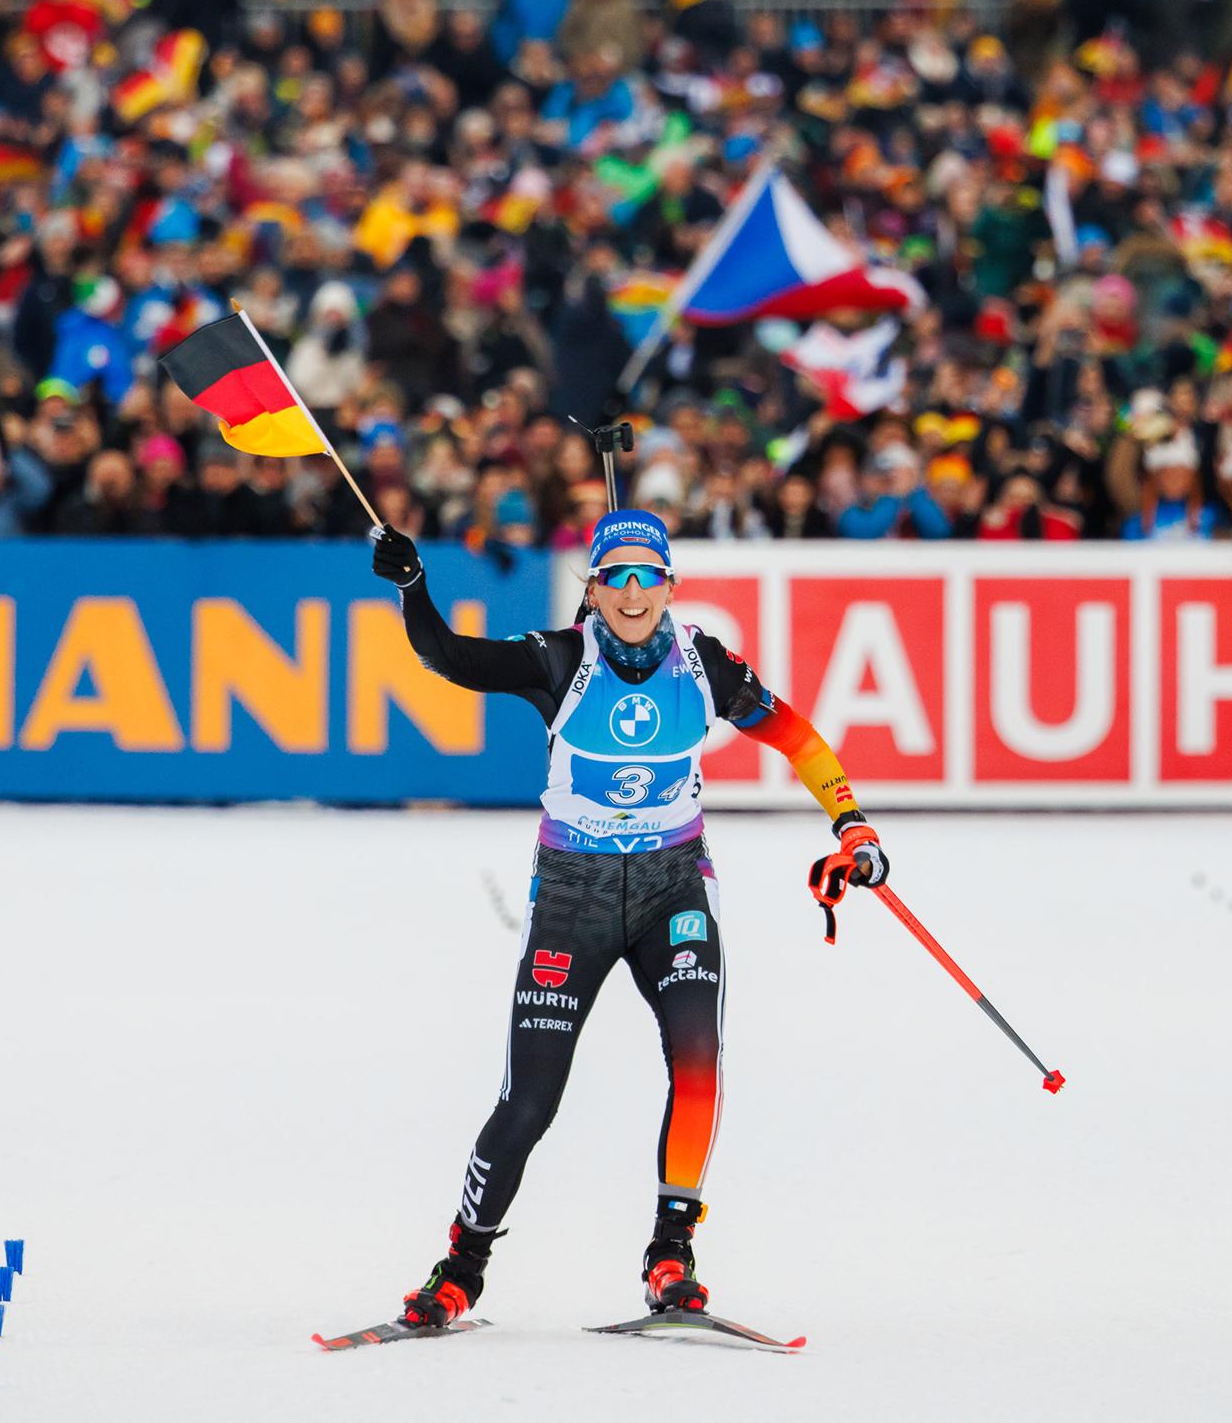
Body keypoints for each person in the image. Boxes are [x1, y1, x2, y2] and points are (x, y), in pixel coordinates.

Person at [364, 505, 888, 1331]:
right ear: (596, 587)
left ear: (671, 584)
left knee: (699, 1064)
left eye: (649, 576)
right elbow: (447, 657)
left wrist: (850, 821)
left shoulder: (703, 664)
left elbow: (798, 738)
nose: (635, 592)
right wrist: (414, 587)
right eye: (618, 577)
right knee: (528, 1102)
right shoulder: (557, 658)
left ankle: (671, 1257)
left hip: (672, 888)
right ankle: (460, 1268)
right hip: (573, 895)